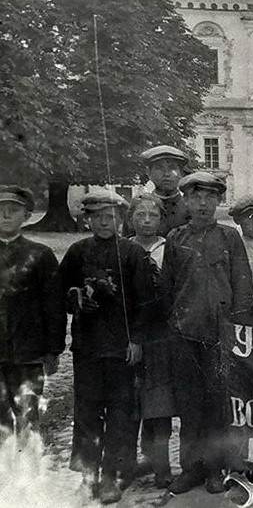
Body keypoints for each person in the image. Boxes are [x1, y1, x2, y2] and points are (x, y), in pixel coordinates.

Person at [159, 172, 253, 495]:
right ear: (185, 200)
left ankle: (216, 469)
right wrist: (174, 323)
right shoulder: (175, 238)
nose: (203, 203)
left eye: (210, 197)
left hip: (220, 335)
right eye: (196, 197)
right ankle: (191, 469)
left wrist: (236, 328)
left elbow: (243, 285)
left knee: (217, 404)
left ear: (218, 201)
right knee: (189, 405)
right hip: (184, 334)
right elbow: (167, 288)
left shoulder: (229, 237)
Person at [60, 190, 154, 503]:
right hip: (87, 347)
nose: (104, 222)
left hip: (121, 349)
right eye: (98, 216)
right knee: (87, 412)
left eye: (111, 216)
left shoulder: (132, 253)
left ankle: (113, 475)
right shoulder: (76, 252)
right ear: (87, 219)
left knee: (120, 413)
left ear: (120, 219)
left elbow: (144, 302)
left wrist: (137, 340)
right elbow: (61, 293)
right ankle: (89, 476)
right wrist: (76, 299)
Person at [0, 186, 64, 438]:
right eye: (1, 210)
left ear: (27, 216)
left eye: (13, 210)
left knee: (27, 415)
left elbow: (54, 306)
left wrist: (53, 350)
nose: (6, 216)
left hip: (29, 351)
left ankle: (28, 474)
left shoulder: (41, 255)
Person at [127, 193, 176, 489]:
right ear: (131, 219)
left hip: (161, 335)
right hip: (131, 335)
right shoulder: (124, 249)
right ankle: (130, 462)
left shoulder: (169, 249)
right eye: (140, 215)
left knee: (160, 403)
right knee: (131, 401)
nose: (147, 221)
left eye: (153, 216)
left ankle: (162, 464)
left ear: (161, 219)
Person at [129, 145, 192, 235]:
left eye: (172, 168)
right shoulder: (137, 208)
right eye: (159, 168)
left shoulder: (191, 208)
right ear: (148, 172)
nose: (166, 174)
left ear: (181, 173)